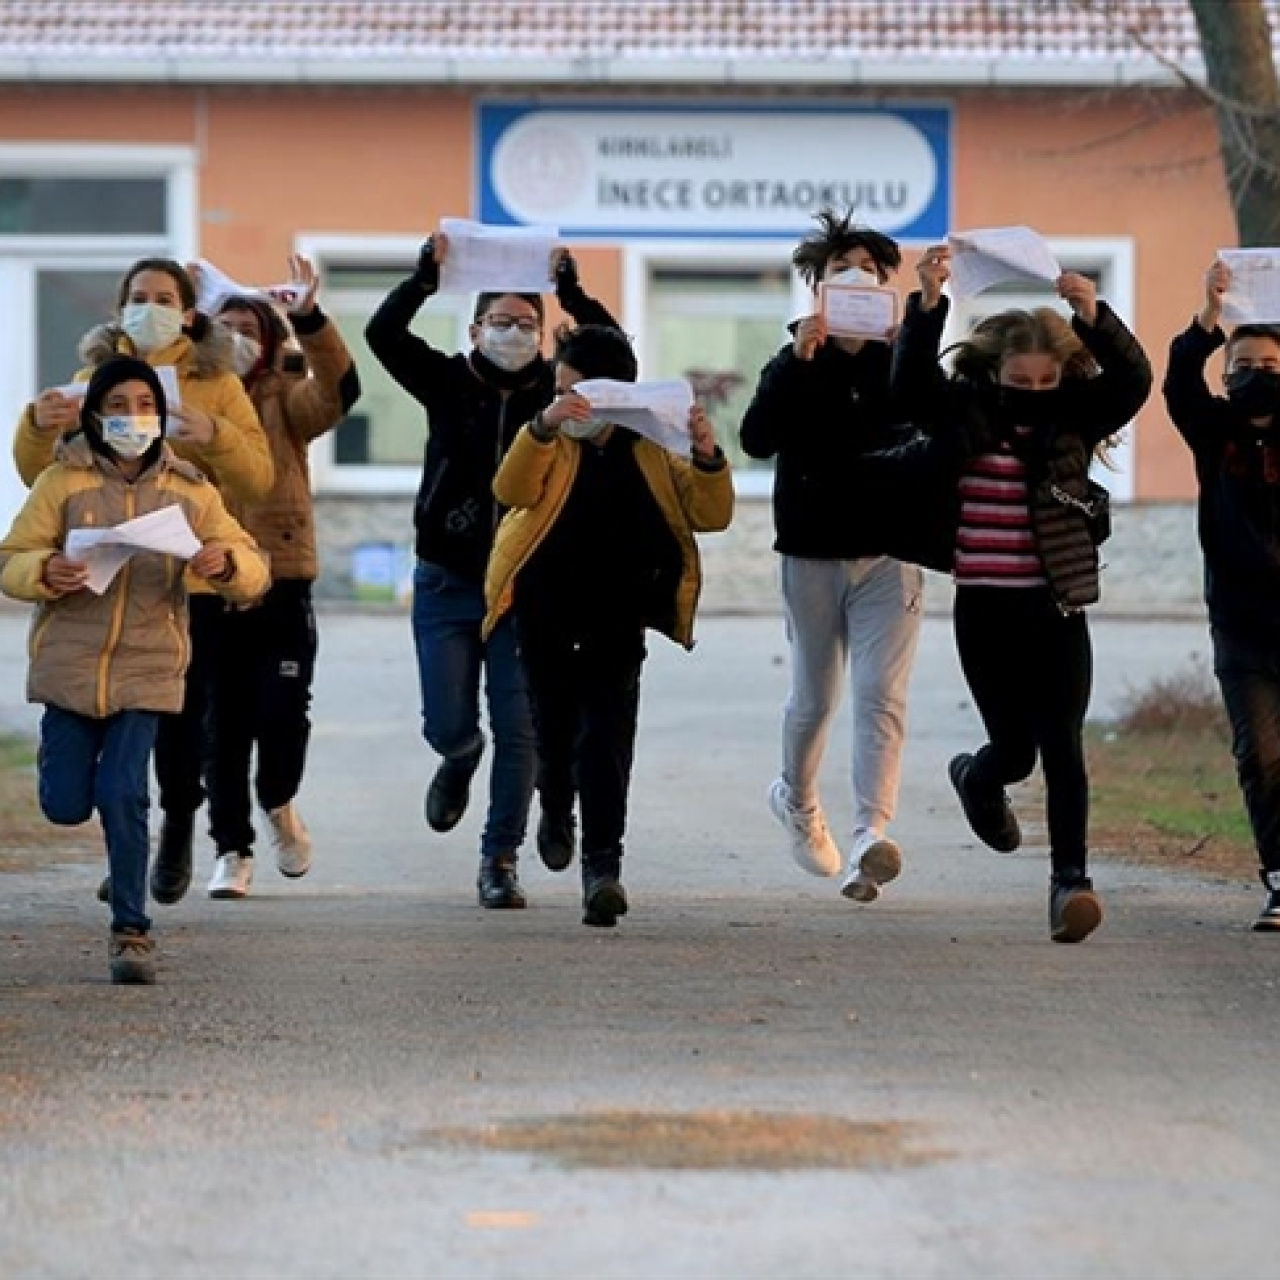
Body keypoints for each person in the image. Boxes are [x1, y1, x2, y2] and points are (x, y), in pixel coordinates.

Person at [878, 246, 1151, 942]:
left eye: (1045, 378)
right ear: (994, 372)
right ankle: (978, 778)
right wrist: (929, 303)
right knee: (1014, 751)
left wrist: (1093, 315)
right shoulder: (964, 414)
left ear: (1061, 375)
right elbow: (909, 389)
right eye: (1019, 379)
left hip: (1057, 605)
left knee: (1062, 745)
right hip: (986, 611)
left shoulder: (1073, 420)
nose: (1033, 388)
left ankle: (1071, 884)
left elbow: (1132, 382)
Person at [366, 231, 618, 910]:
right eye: (500, 321)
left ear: (543, 333)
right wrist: (423, 281)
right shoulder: (448, 379)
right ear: (475, 329)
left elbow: (614, 356)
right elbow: (383, 335)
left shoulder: (556, 388)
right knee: (447, 722)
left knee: (521, 728)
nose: (514, 333)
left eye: (527, 323)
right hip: (446, 579)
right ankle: (458, 756)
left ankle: (498, 859)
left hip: (525, 585)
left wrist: (573, 294)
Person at [12, 257, 273, 907]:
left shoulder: (216, 383)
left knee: (166, 746)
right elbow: (41, 486)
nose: (150, 308)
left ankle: (162, 846)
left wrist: (212, 436)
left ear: (186, 311)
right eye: (139, 296)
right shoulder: (86, 388)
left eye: (163, 297)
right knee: (80, 790)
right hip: (87, 609)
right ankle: (125, 833)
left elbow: (255, 481)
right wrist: (35, 427)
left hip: (181, 594)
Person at [484, 324, 734, 927]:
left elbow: (711, 514)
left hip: (618, 615)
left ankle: (603, 870)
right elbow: (510, 489)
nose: (566, 400)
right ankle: (554, 805)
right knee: (553, 733)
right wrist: (543, 427)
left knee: (606, 739)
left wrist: (707, 455)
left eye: (577, 391)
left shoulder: (651, 442)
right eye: (560, 389)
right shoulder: (547, 436)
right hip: (544, 609)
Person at [739, 208, 923, 904]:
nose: (857, 281)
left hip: (890, 554)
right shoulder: (793, 361)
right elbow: (756, 440)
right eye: (842, 271)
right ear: (818, 286)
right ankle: (796, 799)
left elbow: (934, 427)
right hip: (812, 551)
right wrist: (797, 362)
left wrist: (913, 349)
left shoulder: (902, 357)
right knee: (815, 698)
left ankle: (871, 834)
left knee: (882, 694)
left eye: (870, 272)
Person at [197, 255, 361, 899]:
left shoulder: (286, 398)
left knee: (283, 712)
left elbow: (339, 392)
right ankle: (231, 849)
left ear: (269, 341)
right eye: (226, 329)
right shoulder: (190, 400)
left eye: (250, 330)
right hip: (208, 578)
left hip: (281, 577)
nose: (238, 340)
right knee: (222, 723)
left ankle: (279, 801)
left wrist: (310, 320)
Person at [1163, 259, 1280, 931]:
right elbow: (1179, 384)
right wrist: (1210, 316)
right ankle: (1279, 876)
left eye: (1269, 366)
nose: (1256, 375)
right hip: (1240, 627)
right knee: (1261, 756)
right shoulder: (1216, 435)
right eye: (1244, 365)